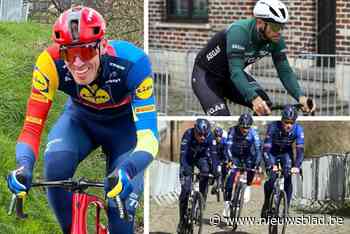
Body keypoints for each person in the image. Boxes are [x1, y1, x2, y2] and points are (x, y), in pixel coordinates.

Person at [6, 6, 158, 234]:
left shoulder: (133, 63)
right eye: (68, 53)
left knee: (121, 205)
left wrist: (127, 169)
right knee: (55, 169)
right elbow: (31, 128)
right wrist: (24, 166)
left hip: (125, 130)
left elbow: (149, 138)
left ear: (102, 45)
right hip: (80, 122)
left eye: (86, 52)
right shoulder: (49, 63)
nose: (77, 63)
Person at [191, 0, 316, 116]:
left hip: (230, 76)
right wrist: (253, 98)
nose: (279, 31)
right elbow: (236, 72)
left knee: (265, 105)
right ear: (260, 23)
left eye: (282, 26)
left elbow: (285, 71)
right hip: (206, 76)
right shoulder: (239, 32)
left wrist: (301, 97)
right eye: (276, 27)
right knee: (221, 116)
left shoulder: (276, 39)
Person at [261, 105, 304, 218]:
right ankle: (266, 203)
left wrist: (297, 166)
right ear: (282, 120)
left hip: (286, 152)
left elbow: (300, 150)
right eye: (286, 122)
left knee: (288, 176)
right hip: (272, 152)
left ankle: (286, 208)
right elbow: (265, 149)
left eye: (291, 122)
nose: (289, 125)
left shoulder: (298, 130)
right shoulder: (273, 127)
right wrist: (270, 164)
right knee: (273, 177)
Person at [177, 118, 216, 232]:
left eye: (205, 134)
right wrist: (185, 169)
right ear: (195, 130)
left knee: (206, 171)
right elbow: (183, 155)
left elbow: (214, 156)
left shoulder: (210, 137)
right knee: (185, 190)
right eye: (200, 134)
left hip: (201, 158)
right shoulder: (188, 134)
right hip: (187, 160)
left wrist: (215, 171)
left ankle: (201, 199)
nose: (202, 137)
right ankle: (182, 220)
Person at [223, 113, 261, 217]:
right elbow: (227, 148)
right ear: (239, 125)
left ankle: (248, 185)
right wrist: (229, 160)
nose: (245, 130)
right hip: (234, 156)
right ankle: (226, 204)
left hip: (247, 156)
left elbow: (258, 150)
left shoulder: (253, 133)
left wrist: (257, 163)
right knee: (230, 176)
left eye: (247, 128)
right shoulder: (232, 131)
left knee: (252, 168)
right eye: (243, 127)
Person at [210, 126, 227, 195]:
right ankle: (213, 182)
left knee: (225, 170)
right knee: (214, 170)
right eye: (216, 136)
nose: (218, 138)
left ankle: (223, 182)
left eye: (219, 136)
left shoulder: (224, 141)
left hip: (222, 158)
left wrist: (226, 160)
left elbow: (226, 151)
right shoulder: (211, 141)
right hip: (214, 158)